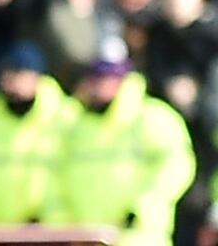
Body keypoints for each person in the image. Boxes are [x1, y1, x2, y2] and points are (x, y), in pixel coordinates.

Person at [44, 42, 196, 246]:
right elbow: (54, 175)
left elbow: (178, 166)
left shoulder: (152, 117)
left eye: (110, 77)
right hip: (87, 238)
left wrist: (144, 207)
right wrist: (62, 221)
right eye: (96, 77)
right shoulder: (74, 123)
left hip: (138, 237)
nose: (101, 84)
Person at [0, 42, 75, 226]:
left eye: (18, 73)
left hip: (49, 229)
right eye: (6, 73)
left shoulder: (64, 114)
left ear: (36, 77)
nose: (9, 80)